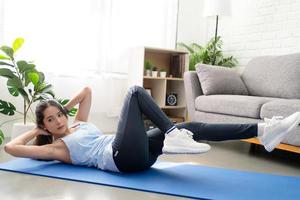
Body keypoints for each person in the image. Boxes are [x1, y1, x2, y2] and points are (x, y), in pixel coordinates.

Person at [4, 86, 300, 173]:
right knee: (134, 92)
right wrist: (35, 129)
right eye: (51, 121)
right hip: (121, 158)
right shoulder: (55, 148)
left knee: (192, 125)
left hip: (139, 154)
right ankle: (173, 136)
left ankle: (264, 130)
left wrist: (63, 108)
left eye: (59, 116)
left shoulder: (77, 122)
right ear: (45, 126)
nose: (58, 121)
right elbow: (11, 148)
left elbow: (87, 91)